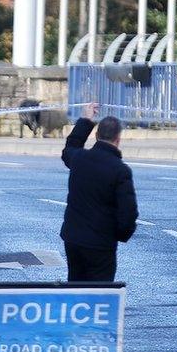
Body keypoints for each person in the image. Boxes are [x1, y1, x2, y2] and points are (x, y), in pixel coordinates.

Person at [60, 103, 139, 282]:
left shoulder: (79, 158)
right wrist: (119, 235)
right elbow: (128, 213)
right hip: (101, 243)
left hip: (73, 239)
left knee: (75, 285)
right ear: (118, 139)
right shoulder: (120, 170)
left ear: (96, 136)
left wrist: (86, 120)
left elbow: (69, 148)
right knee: (101, 292)